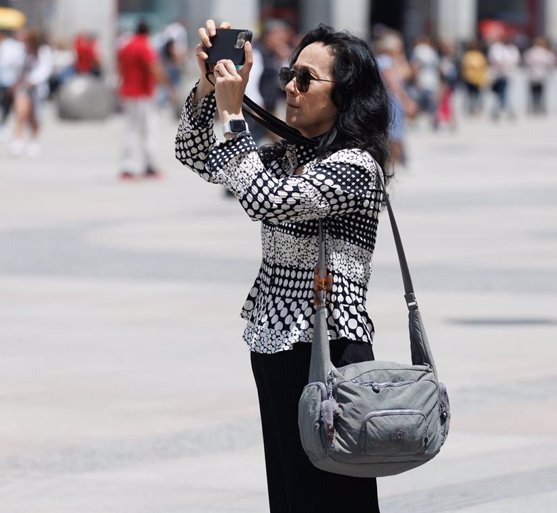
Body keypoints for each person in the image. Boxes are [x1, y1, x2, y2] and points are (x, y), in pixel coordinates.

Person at [176, 20, 391, 513]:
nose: (289, 87)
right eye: (288, 74)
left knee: (335, 494)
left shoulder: (355, 167)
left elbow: (266, 201)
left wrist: (235, 117)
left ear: (346, 95)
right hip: (275, 339)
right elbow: (192, 154)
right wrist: (209, 88)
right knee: (290, 490)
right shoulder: (291, 155)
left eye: (305, 80)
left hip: (329, 344)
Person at [118, 20, 175, 180]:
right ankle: (149, 165)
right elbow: (154, 67)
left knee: (130, 129)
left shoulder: (126, 45)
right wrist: (169, 86)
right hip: (143, 93)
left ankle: (127, 166)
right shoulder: (144, 46)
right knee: (149, 129)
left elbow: (120, 66)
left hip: (128, 92)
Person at [374, 29, 416, 164]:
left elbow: (405, 74)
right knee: (394, 133)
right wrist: (406, 101)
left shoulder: (382, 60)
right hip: (392, 101)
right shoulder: (386, 61)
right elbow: (394, 84)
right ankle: (392, 163)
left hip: (385, 100)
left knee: (390, 132)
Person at [10, 29, 52, 157]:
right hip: (23, 87)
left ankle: (34, 140)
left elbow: (45, 70)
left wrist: (32, 80)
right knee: (21, 112)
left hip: (36, 88)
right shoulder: (22, 51)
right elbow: (15, 66)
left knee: (34, 116)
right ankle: (19, 139)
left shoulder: (44, 52)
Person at [0, 27, 25, 141]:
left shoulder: (12, 46)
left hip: (8, 79)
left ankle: (2, 124)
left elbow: (17, 61)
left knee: (5, 103)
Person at [488, 33, 520, 120]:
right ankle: (505, 110)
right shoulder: (496, 47)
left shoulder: (512, 49)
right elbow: (495, 59)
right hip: (498, 74)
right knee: (501, 93)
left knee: (503, 93)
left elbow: (514, 60)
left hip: (507, 74)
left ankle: (500, 111)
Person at [411, 35, 440, 128]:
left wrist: (416, 80)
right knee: (431, 101)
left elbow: (415, 66)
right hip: (432, 80)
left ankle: (415, 120)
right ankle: (434, 120)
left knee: (419, 101)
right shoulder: (432, 51)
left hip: (423, 79)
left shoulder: (418, 50)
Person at [523, 36, 557, 115]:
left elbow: (526, 61)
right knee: (541, 93)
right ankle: (540, 108)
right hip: (542, 75)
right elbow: (552, 62)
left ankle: (534, 107)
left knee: (533, 93)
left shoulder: (531, 52)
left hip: (533, 74)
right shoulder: (546, 53)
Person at [461, 40, 489, 115]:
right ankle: (471, 109)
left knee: (477, 95)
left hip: (477, 79)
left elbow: (483, 68)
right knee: (471, 95)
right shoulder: (468, 56)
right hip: (470, 78)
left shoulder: (478, 56)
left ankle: (476, 109)